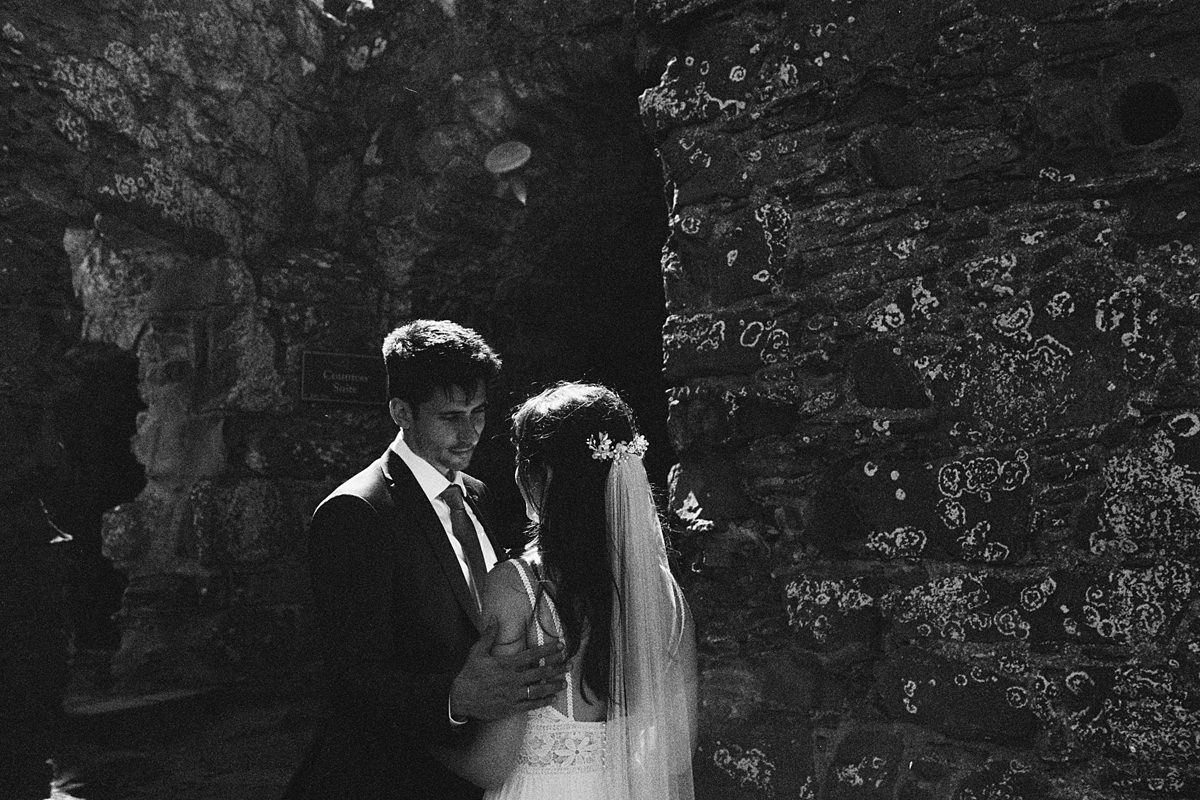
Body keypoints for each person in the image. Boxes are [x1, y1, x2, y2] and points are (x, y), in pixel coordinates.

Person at [283, 320, 569, 800]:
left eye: (478, 413)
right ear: (402, 412)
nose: (470, 433)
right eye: (451, 417)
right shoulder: (355, 512)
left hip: (476, 774)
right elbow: (350, 680)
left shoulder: (477, 494)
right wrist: (455, 698)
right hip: (387, 779)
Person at [434, 382, 698, 799]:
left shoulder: (518, 588)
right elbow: (677, 757)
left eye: (520, 461)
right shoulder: (666, 597)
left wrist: (415, 741)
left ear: (544, 475)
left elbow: (492, 765)